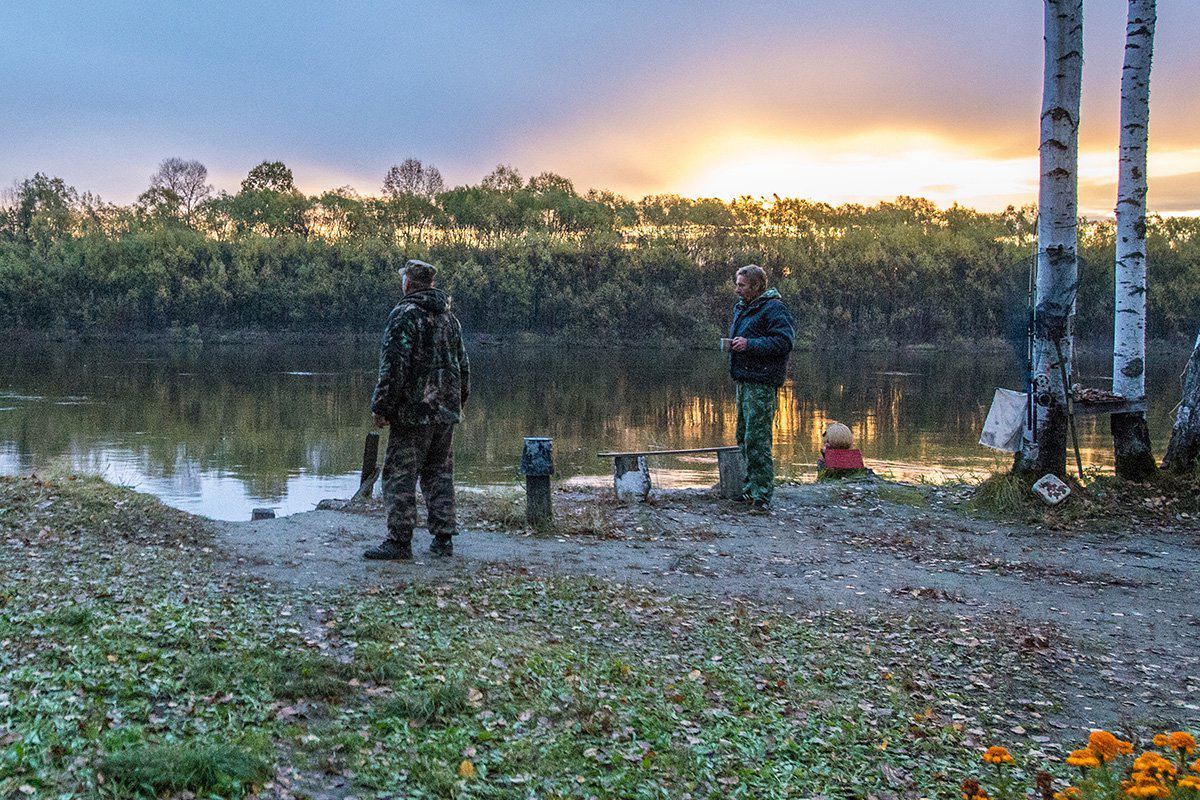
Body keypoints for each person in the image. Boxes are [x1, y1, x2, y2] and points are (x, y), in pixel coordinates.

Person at [365, 259, 470, 560]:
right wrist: (458, 403)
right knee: (439, 474)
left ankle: (399, 542)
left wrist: (381, 407)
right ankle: (443, 539)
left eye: (403, 281)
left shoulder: (404, 314)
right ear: (431, 284)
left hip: (414, 412)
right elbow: (463, 366)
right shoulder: (451, 319)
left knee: (399, 474)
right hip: (446, 412)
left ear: (408, 284)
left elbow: (393, 367)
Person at [728, 264, 794, 512]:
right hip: (744, 380)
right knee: (743, 438)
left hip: (762, 383)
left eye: (742, 285)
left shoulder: (774, 308)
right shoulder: (744, 308)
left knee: (757, 440)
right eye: (738, 284)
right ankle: (748, 490)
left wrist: (750, 344)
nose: (737, 289)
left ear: (756, 286)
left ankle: (762, 496)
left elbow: (784, 341)